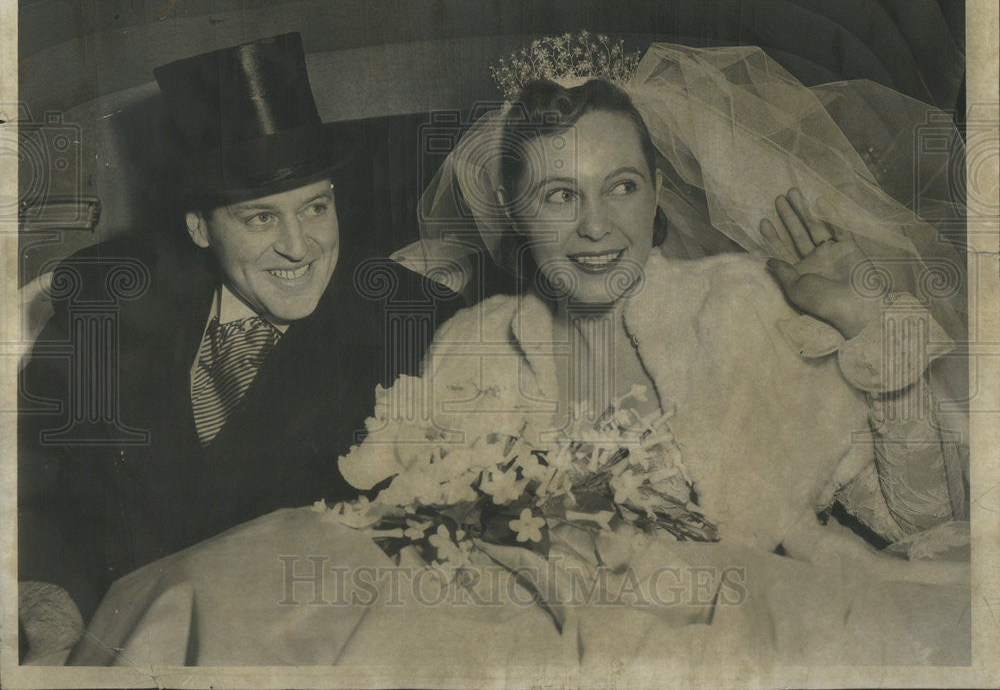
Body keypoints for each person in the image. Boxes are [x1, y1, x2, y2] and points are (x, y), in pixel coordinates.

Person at [70, 38, 970, 670]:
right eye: (557, 194)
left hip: (744, 630)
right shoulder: (473, 346)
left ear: (657, 193)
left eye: (620, 187)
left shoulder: (746, 312)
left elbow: (916, 514)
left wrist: (862, 322)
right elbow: (412, 526)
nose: (594, 228)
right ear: (513, 207)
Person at [17, 33, 462, 661]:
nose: (300, 247)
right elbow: (34, 479)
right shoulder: (104, 301)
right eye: (260, 218)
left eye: (315, 207)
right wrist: (47, 598)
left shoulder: (415, 324)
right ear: (199, 227)